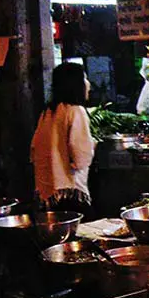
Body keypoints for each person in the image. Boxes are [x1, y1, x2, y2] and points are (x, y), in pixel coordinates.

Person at [30, 63, 95, 217]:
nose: (88, 84)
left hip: (49, 191)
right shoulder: (76, 111)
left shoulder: (48, 112)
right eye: (84, 78)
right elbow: (81, 157)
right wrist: (93, 145)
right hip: (71, 190)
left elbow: (34, 149)